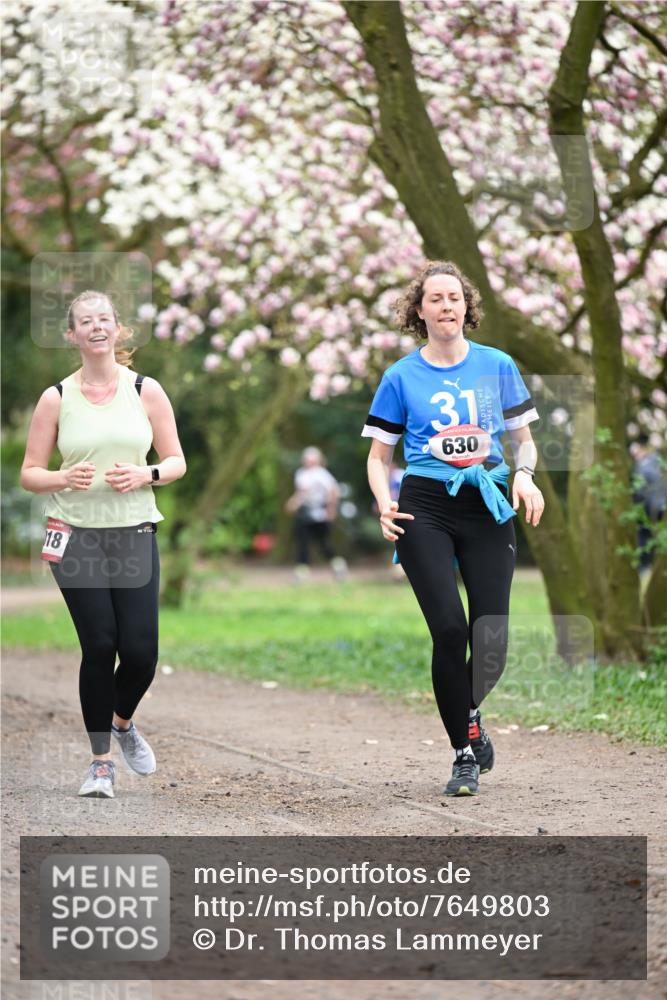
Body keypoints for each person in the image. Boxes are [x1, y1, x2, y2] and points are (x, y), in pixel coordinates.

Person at [362, 261, 544, 797]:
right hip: (424, 505)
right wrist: (382, 503)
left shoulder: (497, 365)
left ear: (467, 307)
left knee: (491, 640)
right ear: (419, 311)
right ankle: (464, 750)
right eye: (436, 298)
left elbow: (524, 440)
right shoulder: (400, 376)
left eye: (455, 297)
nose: (447, 306)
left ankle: (469, 713)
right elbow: (378, 456)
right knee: (448, 629)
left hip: (486, 501)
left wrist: (526, 477)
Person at [20, 290, 186, 798]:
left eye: (103, 319)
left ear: (118, 329)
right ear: (71, 335)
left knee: (140, 653)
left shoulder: (146, 390)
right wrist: (63, 478)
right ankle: (100, 765)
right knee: (99, 644)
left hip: (134, 531)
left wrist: (146, 473)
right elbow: (29, 473)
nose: (95, 327)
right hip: (74, 537)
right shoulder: (57, 397)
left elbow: (176, 460)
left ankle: (121, 722)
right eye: (84, 321)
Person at [285, 446, 348, 581]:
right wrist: (294, 503)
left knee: (324, 543)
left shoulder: (322, 474)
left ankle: (338, 566)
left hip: (320, 513)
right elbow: (301, 493)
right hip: (305, 513)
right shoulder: (300, 474)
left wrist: (331, 510)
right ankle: (301, 572)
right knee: (302, 542)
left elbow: (333, 492)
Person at [632, 433, 666, 574]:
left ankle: (645, 566)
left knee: (644, 534)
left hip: (648, 505)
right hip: (662, 504)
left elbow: (639, 491)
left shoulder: (642, 467)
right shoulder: (657, 461)